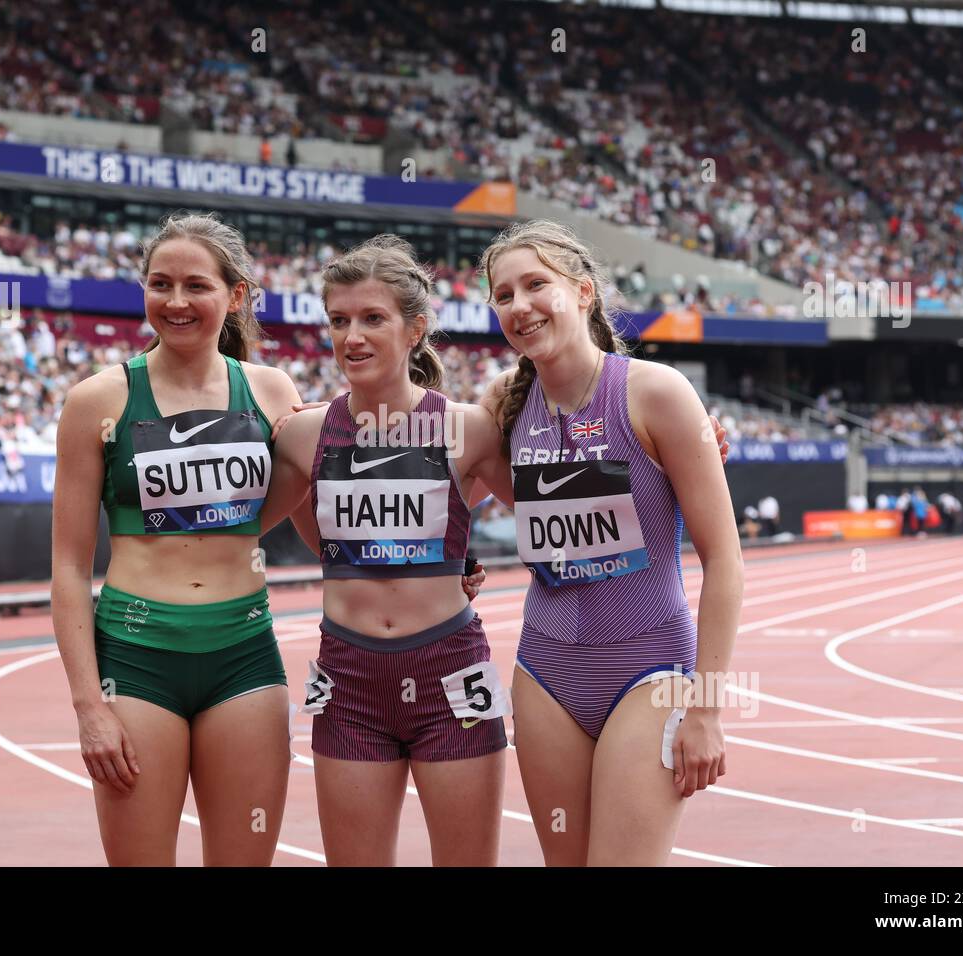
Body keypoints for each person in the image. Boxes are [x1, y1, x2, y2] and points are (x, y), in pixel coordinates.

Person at [51, 214, 485, 866]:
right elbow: (65, 564)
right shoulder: (98, 401)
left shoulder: (271, 392)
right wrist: (88, 705)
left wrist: (442, 556)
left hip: (243, 657)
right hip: (137, 656)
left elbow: (330, 512)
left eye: (195, 285)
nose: (175, 301)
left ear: (235, 296)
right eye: (159, 283)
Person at [479, 220, 743, 866]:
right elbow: (448, 489)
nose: (520, 305)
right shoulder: (501, 409)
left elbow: (725, 563)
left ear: (584, 292)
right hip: (545, 674)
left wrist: (706, 707)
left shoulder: (656, 393)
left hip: (649, 671)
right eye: (504, 294)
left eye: (536, 285)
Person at [268, 237, 515, 866]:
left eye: (372, 318)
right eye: (339, 320)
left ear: (416, 328)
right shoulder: (302, 435)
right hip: (349, 679)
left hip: (450, 674)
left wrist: (695, 442)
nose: (352, 336)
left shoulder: (468, 429)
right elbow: (271, 523)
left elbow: (555, 504)